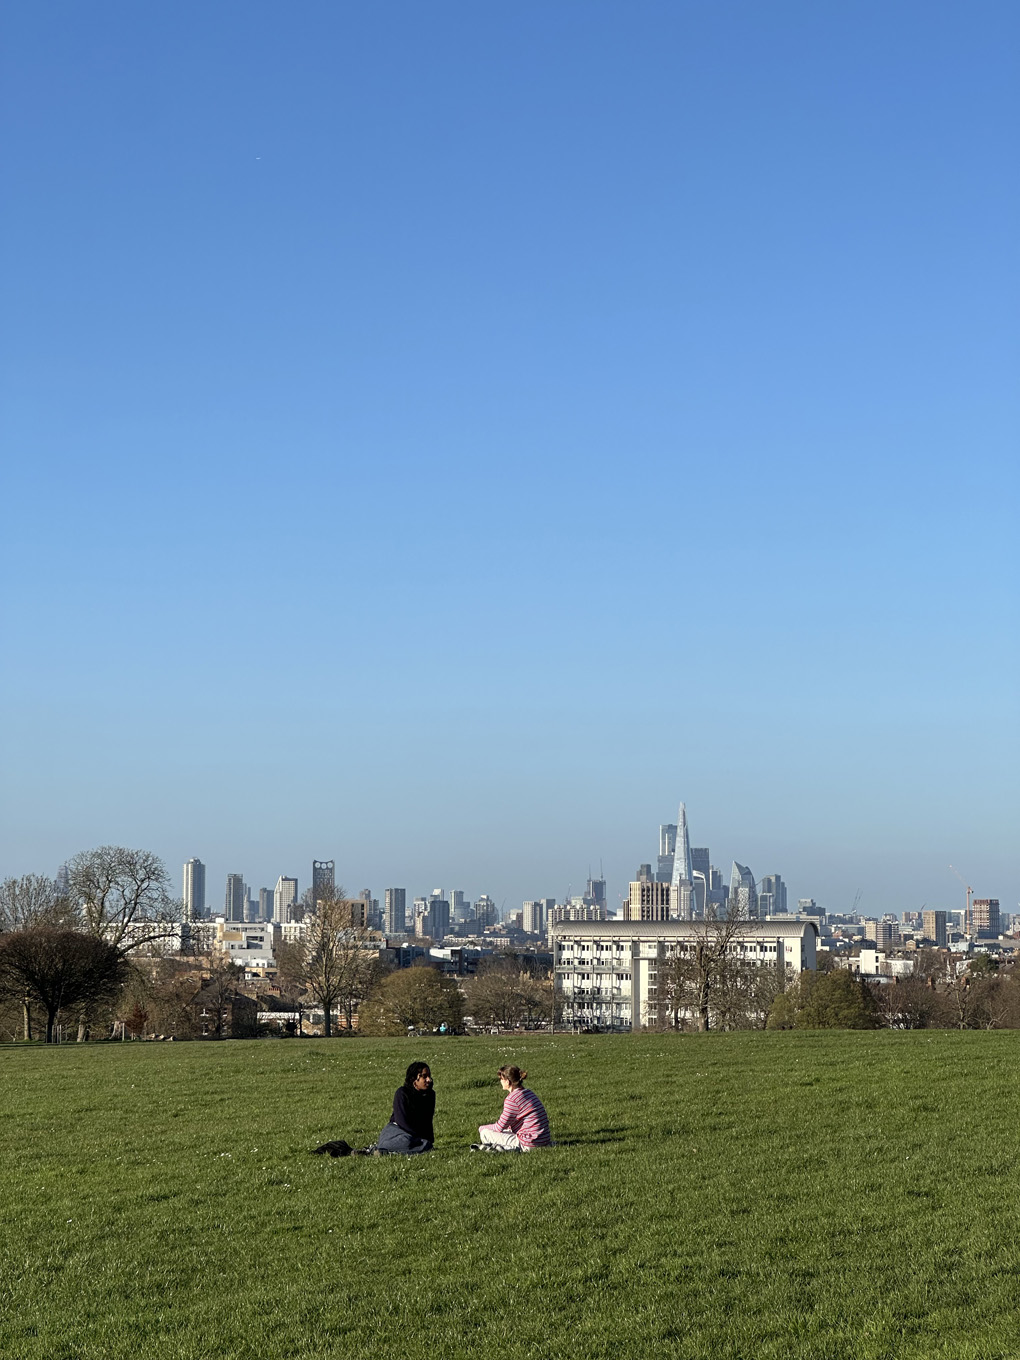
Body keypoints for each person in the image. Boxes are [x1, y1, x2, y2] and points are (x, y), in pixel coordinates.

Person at [473, 1065, 551, 1152]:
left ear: (508, 1081)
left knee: (485, 1133)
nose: (500, 1081)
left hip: (529, 1143)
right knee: (507, 1130)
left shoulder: (512, 1099)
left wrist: (481, 1128)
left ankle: (508, 1149)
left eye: (501, 1079)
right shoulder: (528, 1093)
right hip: (544, 1140)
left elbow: (499, 1127)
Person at [373, 1061, 435, 1155]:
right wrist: (417, 1137)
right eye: (424, 1076)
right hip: (396, 1131)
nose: (428, 1080)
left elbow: (428, 1119)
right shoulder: (402, 1093)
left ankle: (384, 1152)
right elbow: (401, 1120)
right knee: (407, 1141)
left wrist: (428, 1140)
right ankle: (380, 1150)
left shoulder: (430, 1095)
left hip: (413, 1135)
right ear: (414, 1079)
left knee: (426, 1144)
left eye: (429, 1076)